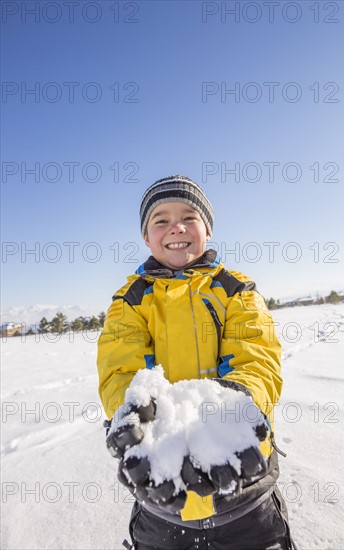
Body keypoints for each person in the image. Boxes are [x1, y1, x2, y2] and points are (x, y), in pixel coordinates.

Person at [97, 175, 297, 550]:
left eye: (189, 216)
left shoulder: (237, 290)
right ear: (146, 237)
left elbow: (258, 360)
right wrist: (133, 414)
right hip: (161, 505)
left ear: (207, 228)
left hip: (246, 499)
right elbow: (119, 370)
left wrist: (237, 407)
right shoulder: (129, 301)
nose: (176, 227)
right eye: (160, 220)